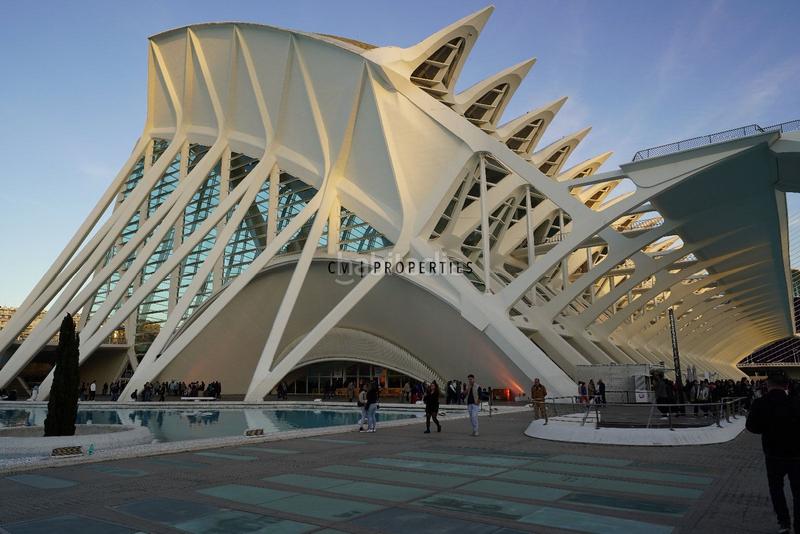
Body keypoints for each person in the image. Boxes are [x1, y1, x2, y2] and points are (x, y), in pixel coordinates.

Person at [746, 374, 800, 534]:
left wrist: (767, 428)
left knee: (776, 488)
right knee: (798, 492)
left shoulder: (761, 403)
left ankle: (784, 523)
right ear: (787, 386)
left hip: (773, 455)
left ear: (768, 385)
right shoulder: (797, 402)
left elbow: (751, 427)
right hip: (796, 455)